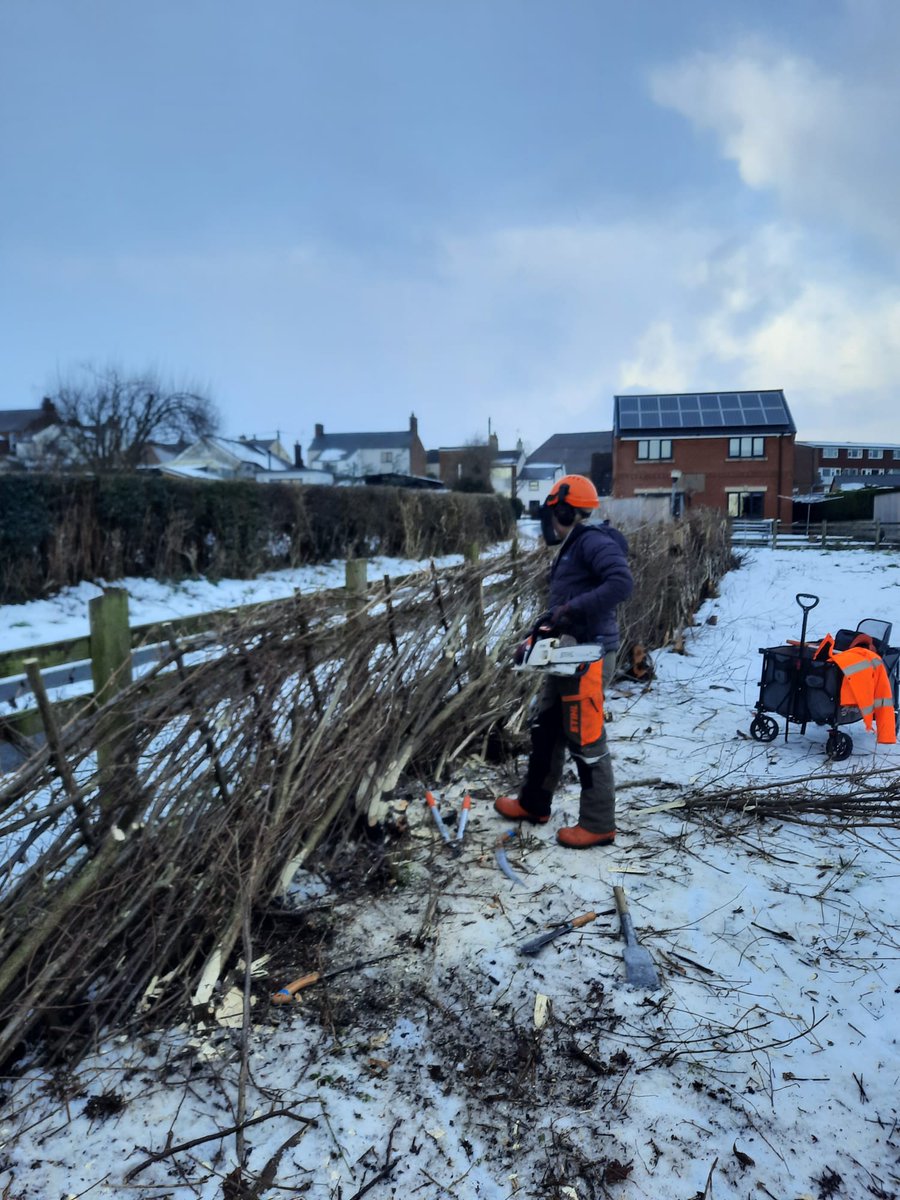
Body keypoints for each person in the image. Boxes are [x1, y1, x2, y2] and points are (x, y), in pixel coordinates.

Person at [495, 474, 634, 847]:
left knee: (585, 737)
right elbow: (569, 601)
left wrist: (571, 608)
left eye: (554, 513)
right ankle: (533, 803)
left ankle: (598, 822)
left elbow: (621, 583)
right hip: (565, 654)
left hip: (587, 655)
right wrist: (549, 623)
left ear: (566, 510)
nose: (550, 522)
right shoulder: (575, 545)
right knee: (546, 729)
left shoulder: (592, 541)